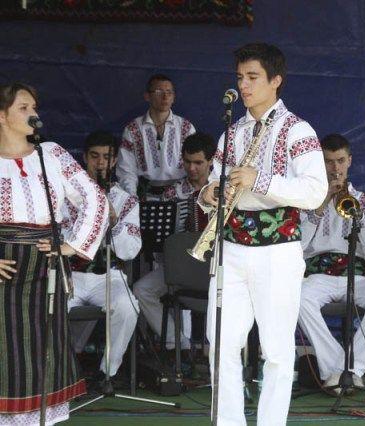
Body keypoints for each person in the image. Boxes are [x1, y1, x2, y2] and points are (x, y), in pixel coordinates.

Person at [198, 43, 327, 425]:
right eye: (240, 77)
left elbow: (315, 192)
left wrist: (261, 180)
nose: (243, 85)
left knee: (277, 352)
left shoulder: (298, 130)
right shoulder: (231, 133)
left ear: (276, 81)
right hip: (231, 248)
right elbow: (212, 185)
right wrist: (209, 193)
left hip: (277, 250)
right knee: (221, 345)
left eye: (252, 77)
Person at [0, 83, 108, 425]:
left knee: (42, 351)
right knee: (6, 355)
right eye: (23, 107)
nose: (33, 113)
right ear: (1, 116)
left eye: (34, 106)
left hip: (45, 268)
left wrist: (73, 244)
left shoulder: (51, 155)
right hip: (4, 270)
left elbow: (94, 199)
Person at [297, 134, 365, 393]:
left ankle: (347, 368)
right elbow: (300, 245)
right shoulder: (307, 200)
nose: (335, 168)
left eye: (340, 161)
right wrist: (320, 205)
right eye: (329, 161)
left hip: (356, 274)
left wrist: (360, 219)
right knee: (297, 298)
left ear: (349, 161)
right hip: (318, 275)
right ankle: (344, 369)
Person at [63, 131, 141, 384]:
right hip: (71, 275)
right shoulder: (67, 196)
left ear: (115, 160)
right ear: (85, 158)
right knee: (49, 307)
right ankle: (62, 371)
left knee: (128, 307)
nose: (100, 163)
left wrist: (114, 223)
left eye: (106, 157)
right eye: (95, 156)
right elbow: (60, 239)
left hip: (108, 276)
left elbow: (130, 251)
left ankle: (107, 372)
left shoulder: (126, 200)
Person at [133, 132, 215, 352]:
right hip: (181, 270)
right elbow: (160, 239)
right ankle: (177, 343)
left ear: (211, 161)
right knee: (141, 290)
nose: (192, 168)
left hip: (217, 269)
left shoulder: (222, 189)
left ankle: (225, 351)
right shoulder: (173, 192)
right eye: (187, 162)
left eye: (198, 163)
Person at [116, 74, 196, 199]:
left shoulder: (186, 128)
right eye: (159, 92)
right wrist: (132, 199)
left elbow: (196, 165)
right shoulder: (133, 129)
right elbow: (126, 170)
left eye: (169, 92)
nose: (165, 97)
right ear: (147, 96)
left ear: (173, 97)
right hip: (145, 196)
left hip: (180, 196)